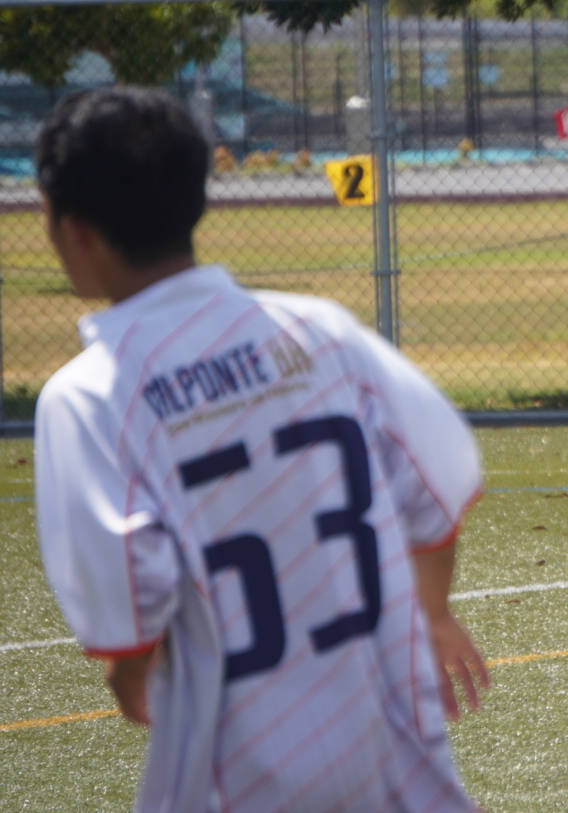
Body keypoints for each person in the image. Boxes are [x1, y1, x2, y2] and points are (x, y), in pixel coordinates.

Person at [31, 86, 488, 813]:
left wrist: (129, 678)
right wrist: (432, 612)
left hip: (238, 775)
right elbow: (438, 480)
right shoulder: (320, 331)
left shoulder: (90, 396)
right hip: (393, 763)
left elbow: (129, 606)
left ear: (72, 230)